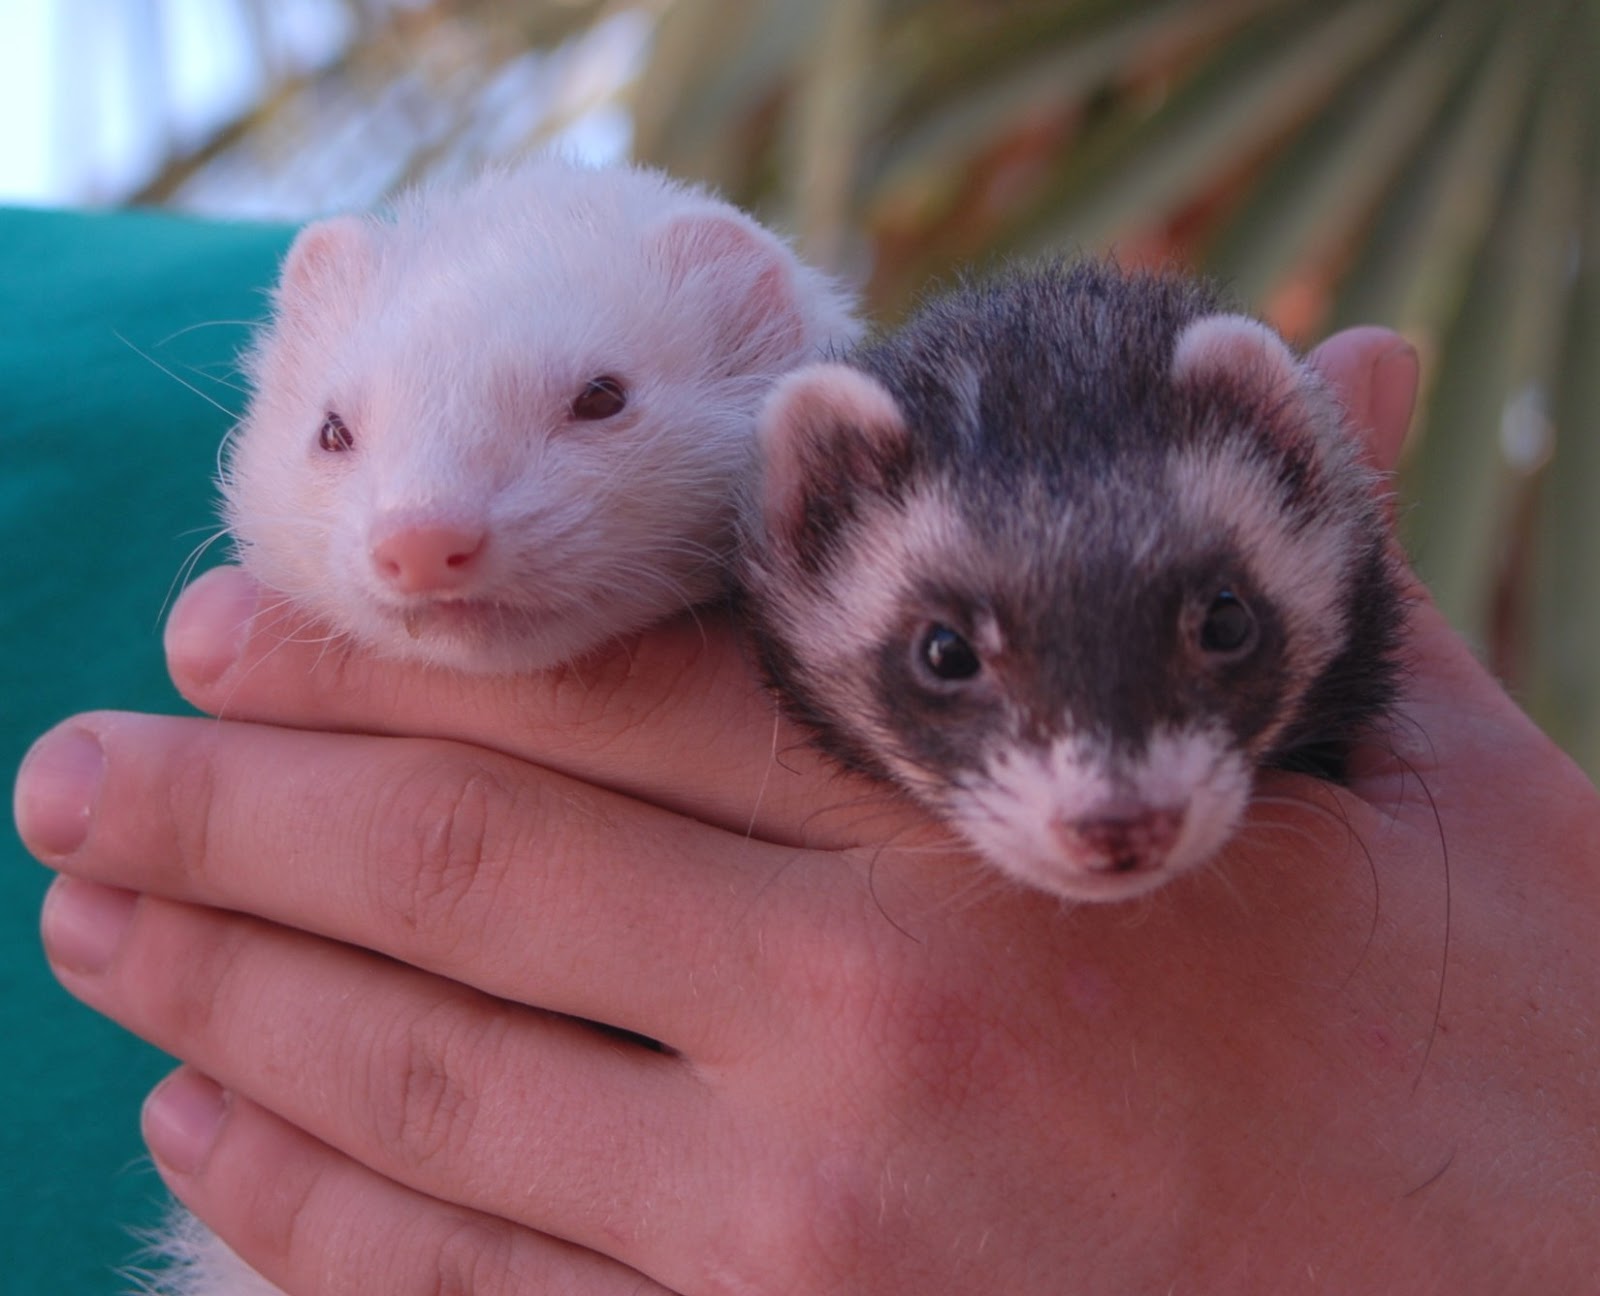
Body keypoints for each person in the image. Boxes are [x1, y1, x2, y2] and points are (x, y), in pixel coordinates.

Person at [13, 327, 1599, 1293]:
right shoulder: (305, 453)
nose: (1110, 792)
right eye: (944, 657)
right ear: (800, 547)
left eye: (1218, 631)